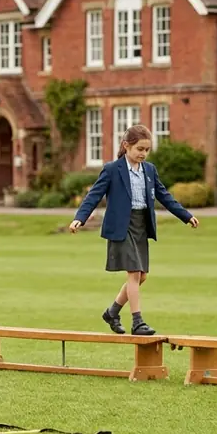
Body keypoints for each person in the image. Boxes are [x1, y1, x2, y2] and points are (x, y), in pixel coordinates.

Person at [70, 125, 199, 336]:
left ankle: (112, 312)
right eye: (140, 149)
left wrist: (186, 215)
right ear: (126, 146)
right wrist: (80, 218)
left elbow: (164, 196)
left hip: (141, 226)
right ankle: (138, 322)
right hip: (122, 226)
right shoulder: (112, 169)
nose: (143, 154)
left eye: (147, 150)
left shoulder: (149, 170)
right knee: (133, 273)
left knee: (142, 276)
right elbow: (94, 195)